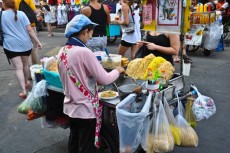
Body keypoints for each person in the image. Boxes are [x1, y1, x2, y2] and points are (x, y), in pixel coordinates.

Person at [57, 14, 125, 153]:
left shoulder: (62, 51)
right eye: (91, 31)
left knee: (74, 143)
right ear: (84, 32)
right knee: (86, 147)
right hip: (85, 110)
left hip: (71, 108)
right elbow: (105, 79)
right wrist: (118, 70)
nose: (92, 34)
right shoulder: (84, 52)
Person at [2, 0, 42, 98]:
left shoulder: (1, 15)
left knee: (18, 68)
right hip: (25, 44)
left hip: (10, 45)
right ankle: (27, 81)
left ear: (3, 4)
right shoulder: (21, 13)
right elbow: (29, 30)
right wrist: (38, 41)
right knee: (25, 65)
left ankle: (24, 90)